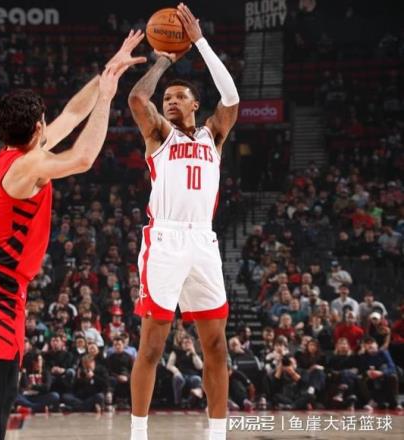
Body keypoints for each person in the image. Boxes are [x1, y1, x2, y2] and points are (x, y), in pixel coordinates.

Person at [0, 32, 146, 440]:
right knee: (0, 393)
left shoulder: (13, 155)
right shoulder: (27, 166)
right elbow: (83, 157)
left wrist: (109, 72)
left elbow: (72, 114)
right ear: (37, 127)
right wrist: (107, 99)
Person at [128, 4, 239, 440]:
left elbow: (231, 98)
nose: (171, 101)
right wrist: (162, 61)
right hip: (166, 239)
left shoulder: (214, 134)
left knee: (216, 345)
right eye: (167, 99)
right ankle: (138, 433)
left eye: (179, 97)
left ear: (195, 104)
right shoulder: (160, 134)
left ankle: (217, 434)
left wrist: (200, 43)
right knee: (152, 346)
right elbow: (138, 99)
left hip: (203, 243)